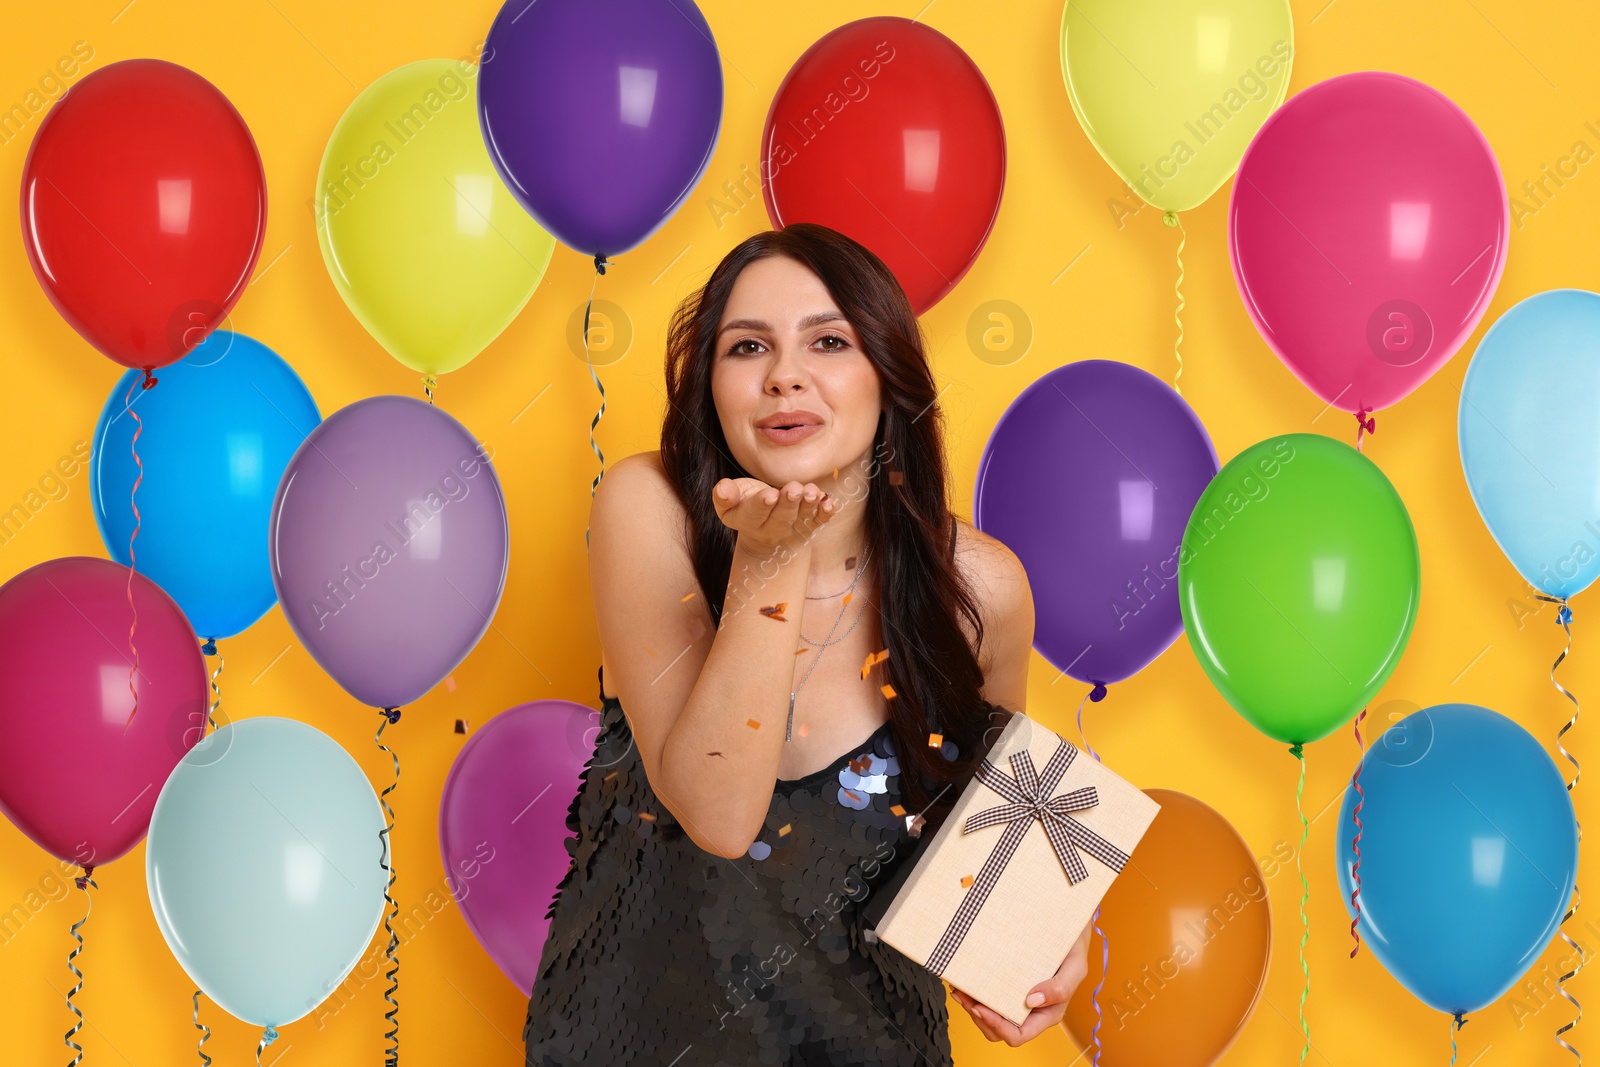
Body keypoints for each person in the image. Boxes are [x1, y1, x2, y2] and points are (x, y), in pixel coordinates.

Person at [523, 223, 1089, 1066]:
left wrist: (1053, 929)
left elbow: (994, 837)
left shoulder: (982, 586)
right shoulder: (647, 510)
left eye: (828, 340)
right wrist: (771, 557)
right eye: (748, 347)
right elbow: (716, 811)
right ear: (710, 388)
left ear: (886, 375)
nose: (785, 374)